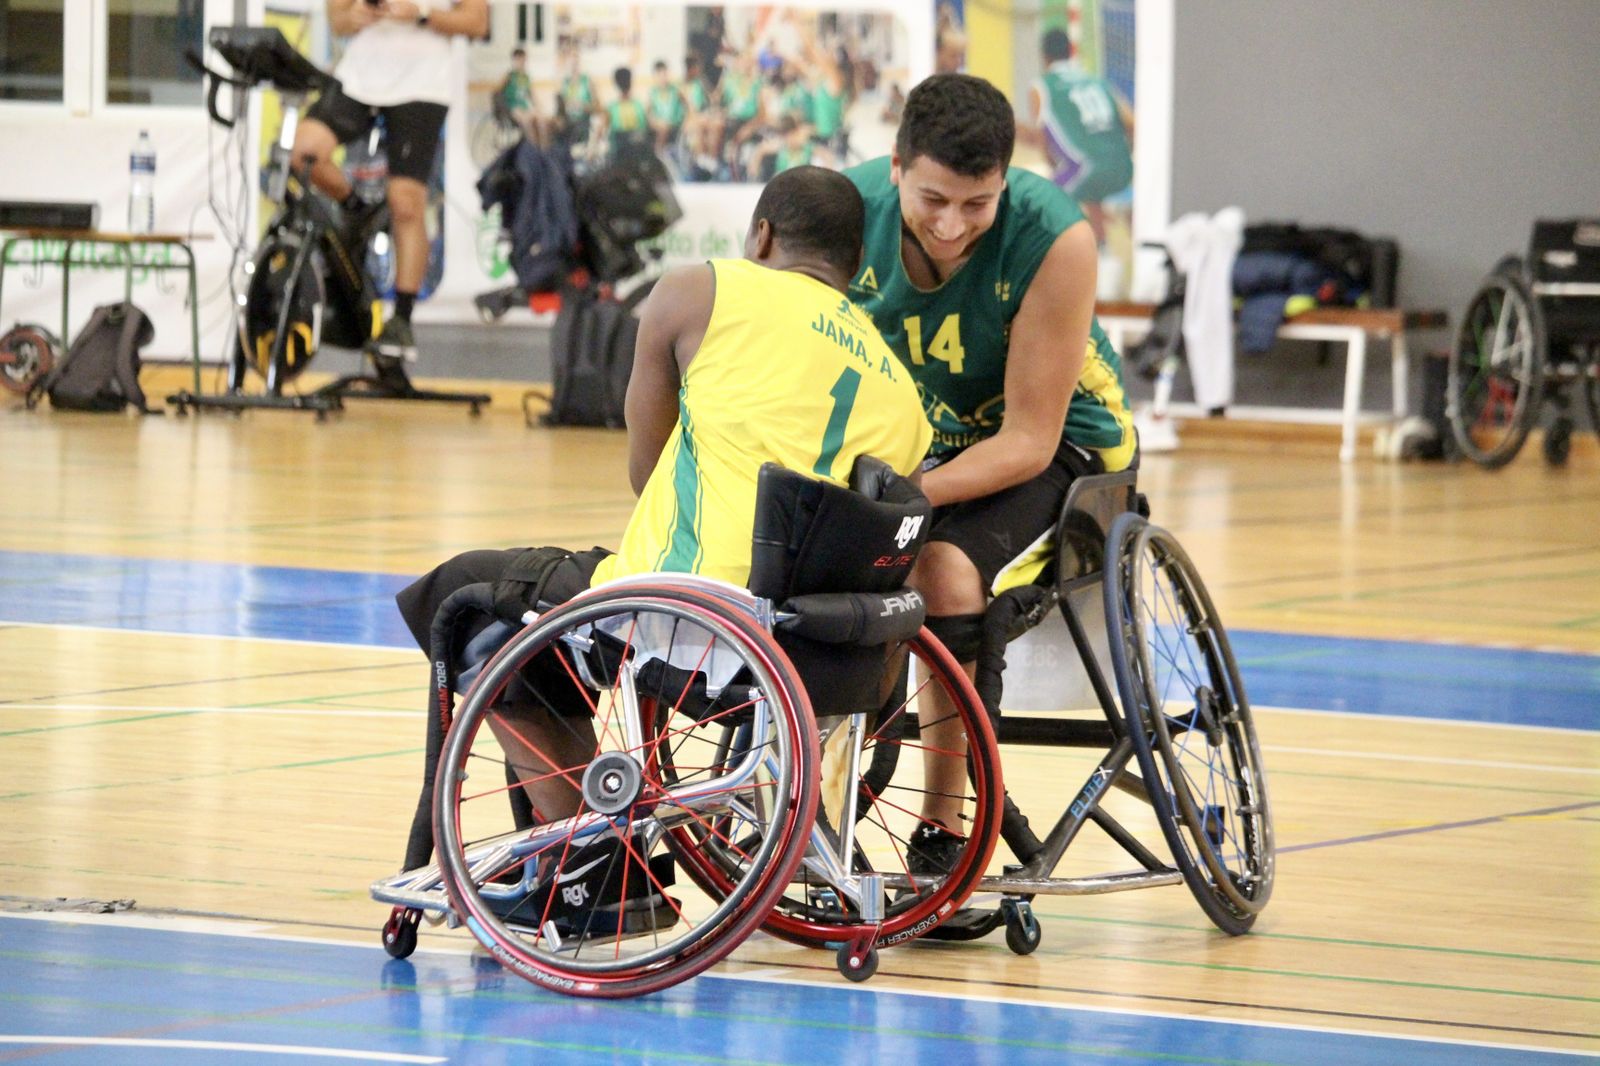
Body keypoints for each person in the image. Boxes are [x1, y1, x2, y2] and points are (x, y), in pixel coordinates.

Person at [394, 164, 929, 849]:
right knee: (542, 603)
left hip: (694, 621)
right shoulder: (902, 391)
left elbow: (646, 473)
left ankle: (595, 862)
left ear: (761, 237)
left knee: (465, 602)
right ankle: (589, 853)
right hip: (820, 654)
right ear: (855, 271)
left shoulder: (700, 291)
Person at [843, 73, 1135, 863]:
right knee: (822, 548)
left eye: (978, 204)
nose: (951, 225)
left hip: (1068, 448)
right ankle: (816, 801)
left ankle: (943, 820)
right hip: (928, 441)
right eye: (934, 198)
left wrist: (905, 498)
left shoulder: (1055, 239)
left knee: (939, 567)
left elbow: (1028, 442)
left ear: (1006, 180)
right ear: (897, 165)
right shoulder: (844, 212)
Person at [292, 0, 489, 386]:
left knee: (406, 202)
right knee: (303, 153)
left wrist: (420, 15)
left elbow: (476, 21)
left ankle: (401, 317)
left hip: (424, 84)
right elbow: (338, 19)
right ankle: (357, 210)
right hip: (360, 76)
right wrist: (357, 16)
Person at [1025, 27, 1134, 243]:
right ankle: (1104, 251)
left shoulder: (1041, 87)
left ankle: (1075, 260)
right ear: (1071, 50)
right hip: (1123, 169)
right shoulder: (1098, 81)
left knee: (1035, 206)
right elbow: (1132, 123)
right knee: (1090, 192)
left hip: (1085, 171)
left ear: (1044, 56)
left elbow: (1044, 144)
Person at [499, 46, 538, 143]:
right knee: (526, 120)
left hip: (523, 107)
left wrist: (538, 107)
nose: (522, 63)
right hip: (512, 107)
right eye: (519, 60)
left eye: (524, 60)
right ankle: (529, 146)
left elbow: (531, 95)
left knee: (538, 119)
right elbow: (497, 92)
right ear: (514, 60)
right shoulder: (509, 76)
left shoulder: (526, 77)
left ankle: (537, 145)